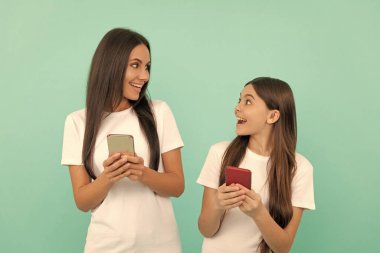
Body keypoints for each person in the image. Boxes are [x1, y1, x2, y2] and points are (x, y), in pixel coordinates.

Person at [61, 28, 184, 253]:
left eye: (147, 67)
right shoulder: (77, 122)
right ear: (111, 65)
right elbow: (82, 201)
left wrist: (143, 173)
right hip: (106, 246)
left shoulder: (160, 112)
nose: (144, 76)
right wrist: (108, 177)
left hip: (161, 245)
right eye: (135, 65)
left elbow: (177, 186)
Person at [197, 77, 315, 253]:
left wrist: (259, 213)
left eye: (248, 102)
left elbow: (283, 247)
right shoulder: (219, 153)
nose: (237, 108)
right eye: (239, 100)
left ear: (273, 116)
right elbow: (206, 230)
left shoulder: (300, 168)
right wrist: (217, 205)